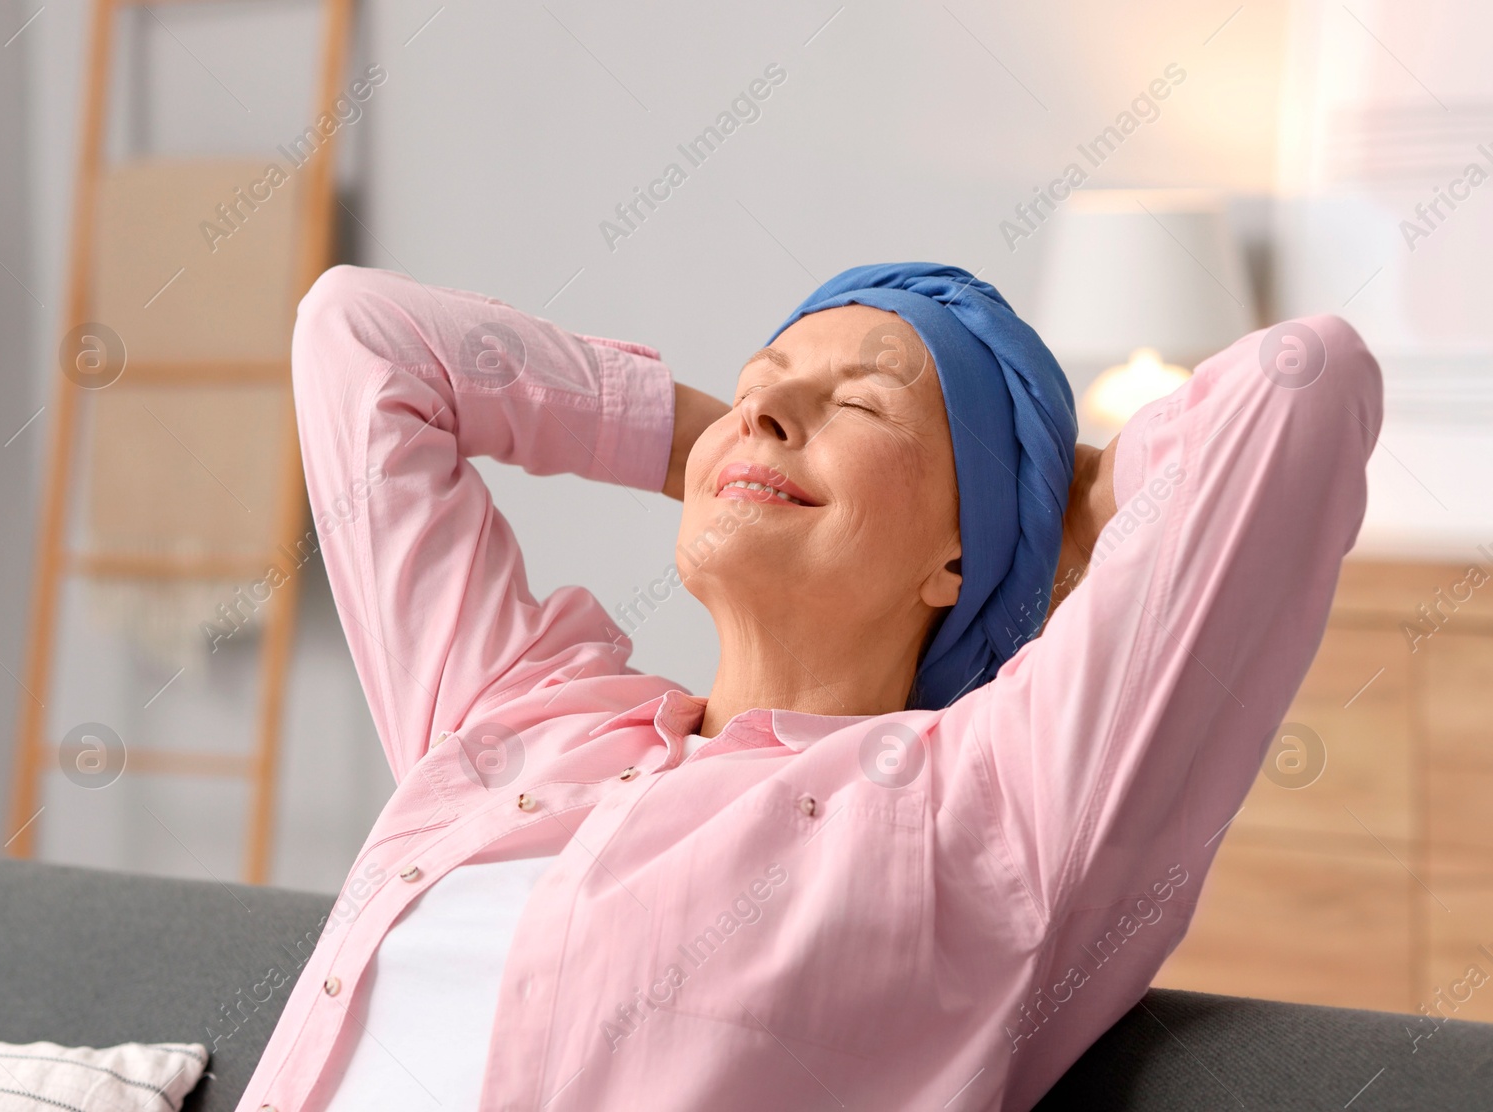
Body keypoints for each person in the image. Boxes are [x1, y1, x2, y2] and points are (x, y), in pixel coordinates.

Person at [235, 262, 1380, 1112]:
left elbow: (1302, 384)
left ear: (958, 558)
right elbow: (358, 335)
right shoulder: (520, 719)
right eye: (760, 385)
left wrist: (1054, 502)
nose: (771, 410)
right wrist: (722, 448)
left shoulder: (999, 806)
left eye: (864, 405)